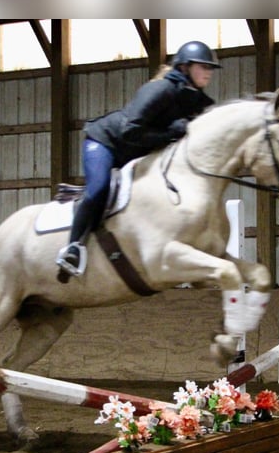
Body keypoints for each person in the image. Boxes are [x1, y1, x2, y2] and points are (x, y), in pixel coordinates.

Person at [56, 40, 221, 277]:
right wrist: (171, 132)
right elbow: (129, 130)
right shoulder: (160, 89)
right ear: (185, 67)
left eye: (211, 68)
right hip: (106, 143)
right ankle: (73, 248)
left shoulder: (198, 101)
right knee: (99, 189)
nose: (209, 72)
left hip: (137, 154)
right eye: (203, 67)